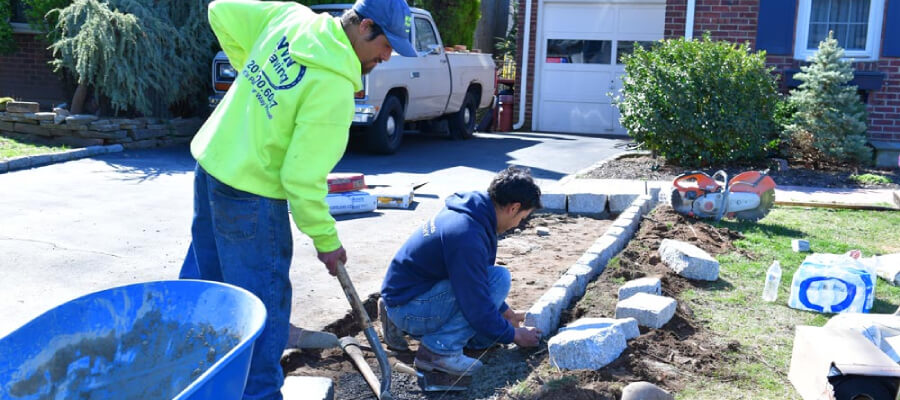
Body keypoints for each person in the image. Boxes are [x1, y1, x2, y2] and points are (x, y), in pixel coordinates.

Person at [179, 0, 416, 398]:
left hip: (213, 166)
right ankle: (259, 394)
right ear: (365, 26)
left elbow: (220, 10)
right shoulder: (333, 90)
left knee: (209, 292)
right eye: (387, 44)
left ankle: (201, 385)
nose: (388, 55)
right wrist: (327, 241)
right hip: (252, 195)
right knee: (262, 313)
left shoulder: (291, 18)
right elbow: (301, 179)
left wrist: (248, 76)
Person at [379, 166, 544, 376]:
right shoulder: (467, 235)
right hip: (409, 307)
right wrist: (515, 335)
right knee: (499, 279)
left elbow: (472, 278)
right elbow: (475, 302)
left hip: (406, 293)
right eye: (522, 217)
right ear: (514, 208)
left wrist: (507, 313)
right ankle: (438, 352)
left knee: (487, 337)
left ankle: (391, 313)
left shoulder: (474, 210)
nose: (517, 224)